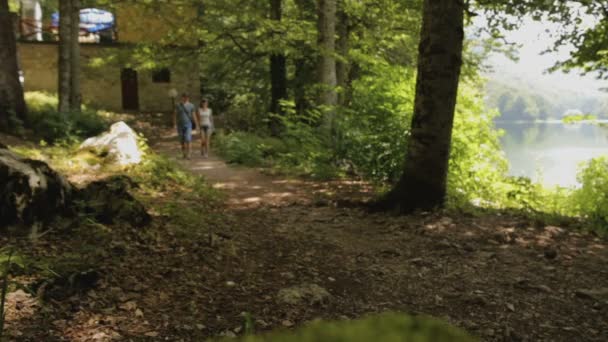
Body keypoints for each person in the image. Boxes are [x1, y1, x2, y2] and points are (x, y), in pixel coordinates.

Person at [174, 93, 198, 159]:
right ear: (182, 97)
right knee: (182, 140)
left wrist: (197, 125)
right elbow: (175, 115)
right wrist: (174, 124)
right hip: (180, 125)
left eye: (187, 97)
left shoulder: (191, 105)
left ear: (188, 98)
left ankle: (189, 154)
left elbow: (194, 115)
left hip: (188, 124)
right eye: (184, 97)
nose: (185, 98)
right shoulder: (178, 105)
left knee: (188, 139)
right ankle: (184, 153)